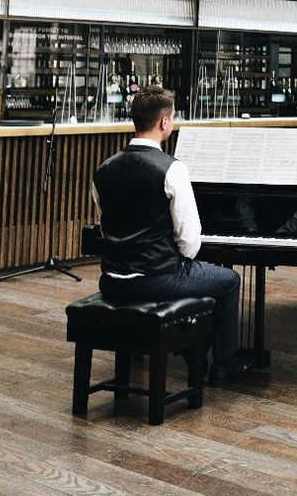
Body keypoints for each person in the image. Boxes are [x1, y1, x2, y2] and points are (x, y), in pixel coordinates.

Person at [92, 87, 248, 386]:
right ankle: (224, 363)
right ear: (164, 122)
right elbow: (190, 242)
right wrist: (178, 264)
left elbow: (106, 227)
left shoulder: (104, 169)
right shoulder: (172, 169)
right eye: (173, 117)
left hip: (111, 280)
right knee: (229, 281)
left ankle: (192, 352)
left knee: (197, 279)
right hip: (156, 278)